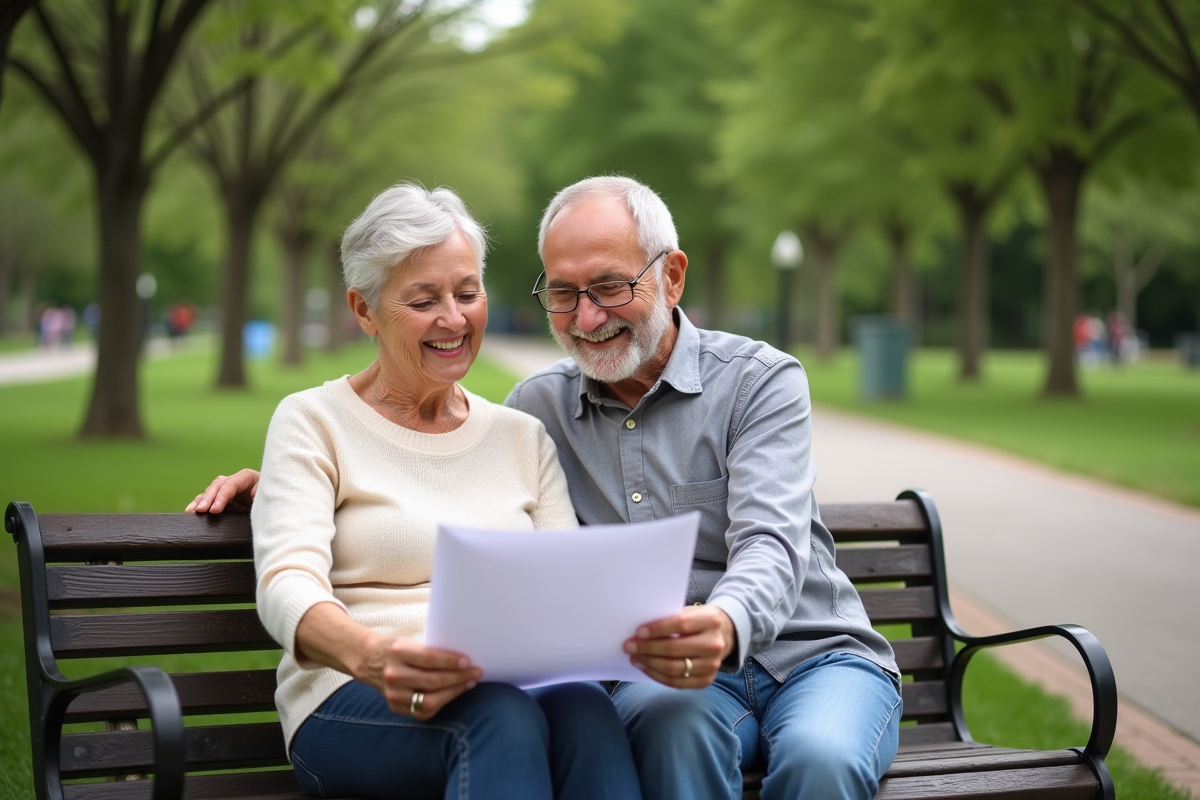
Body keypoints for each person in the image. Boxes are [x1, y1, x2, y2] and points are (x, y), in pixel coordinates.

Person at [192, 176, 903, 800]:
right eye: (565, 294)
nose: (588, 316)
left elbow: (594, 580)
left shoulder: (531, 428)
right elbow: (297, 568)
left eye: (467, 293)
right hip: (373, 690)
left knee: (600, 716)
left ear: (672, 277)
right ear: (363, 310)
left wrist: (717, 625)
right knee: (576, 721)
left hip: (804, 653)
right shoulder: (514, 410)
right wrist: (283, 487)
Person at [188, 183, 641, 800]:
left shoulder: (522, 437)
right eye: (424, 299)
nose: (453, 318)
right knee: (497, 718)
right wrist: (375, 657)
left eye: (467, 293)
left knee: (584, 710)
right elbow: (285, 584)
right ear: (364, 309)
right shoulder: (312, 421)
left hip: (502, 685)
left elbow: (560, 596)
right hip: (354, 695)